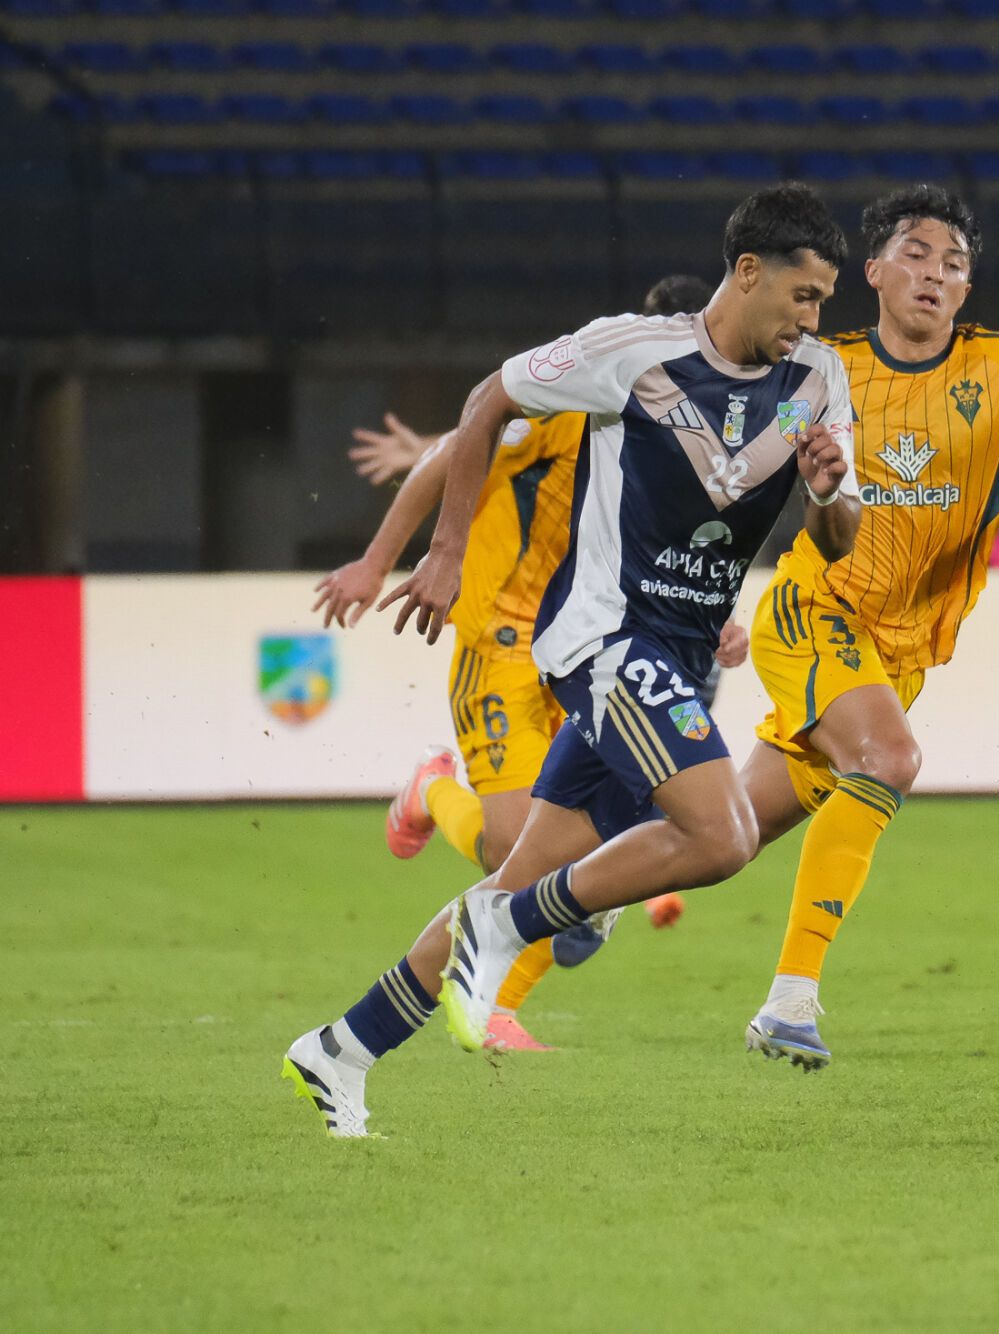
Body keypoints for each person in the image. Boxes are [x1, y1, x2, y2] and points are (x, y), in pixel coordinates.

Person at [282, 183, 859, 1137]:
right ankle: (507, 932)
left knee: (515, 876)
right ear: (748, 273)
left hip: (678, 650)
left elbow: (838, 540)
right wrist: (448, 549)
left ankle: (342, 1047)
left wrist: (829, 491)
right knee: (723, 837)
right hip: (601, 639)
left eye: (824, 301)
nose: (814, 317)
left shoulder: (820, 382)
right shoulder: (633, 352)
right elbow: (487, 401)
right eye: (804, 295)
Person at [731, 184, 999, 1069]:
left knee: (720, 837)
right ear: (871, 272)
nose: (935, 274)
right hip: (815, 608)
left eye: (954, 264)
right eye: (915, 254)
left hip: (902, 650)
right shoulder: (817, 366)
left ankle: (568, 893)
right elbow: (734, 482)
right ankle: (792, 1001)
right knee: (891, 759)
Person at [310, 276, 732, 1053]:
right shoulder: (584, 396)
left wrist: (722, 616)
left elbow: (674, 546)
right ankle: (432, 787)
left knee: (569, 856)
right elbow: (460, 442)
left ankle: (498, 997)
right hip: (499, 639)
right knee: (514, 852)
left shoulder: (691, 435)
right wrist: (380, 562)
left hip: (588, 644)